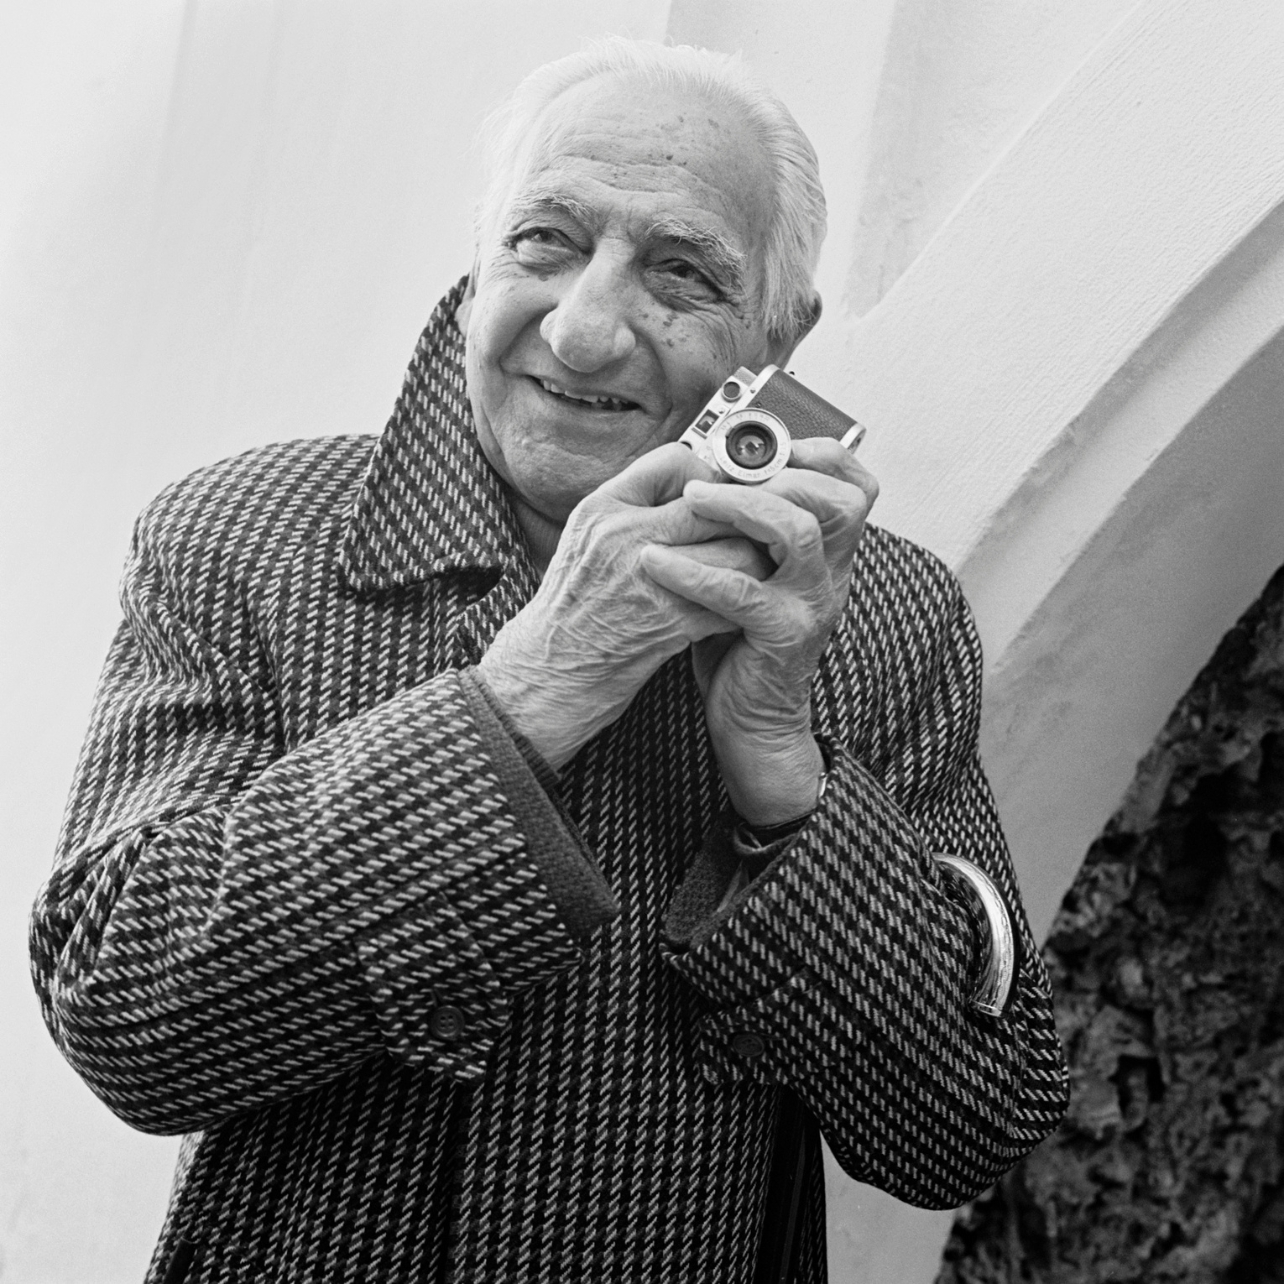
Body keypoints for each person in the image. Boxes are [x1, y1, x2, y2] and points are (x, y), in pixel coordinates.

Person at [29, 38, 1067, 1284]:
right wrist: (530, 693)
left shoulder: (884, 614)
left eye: (679, 271)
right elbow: (127, 1020)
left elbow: (974, 1127)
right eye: (544, 240)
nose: (580, 332)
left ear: (777, 338)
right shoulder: (246, 536)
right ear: (478, 258)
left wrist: (789, 781)